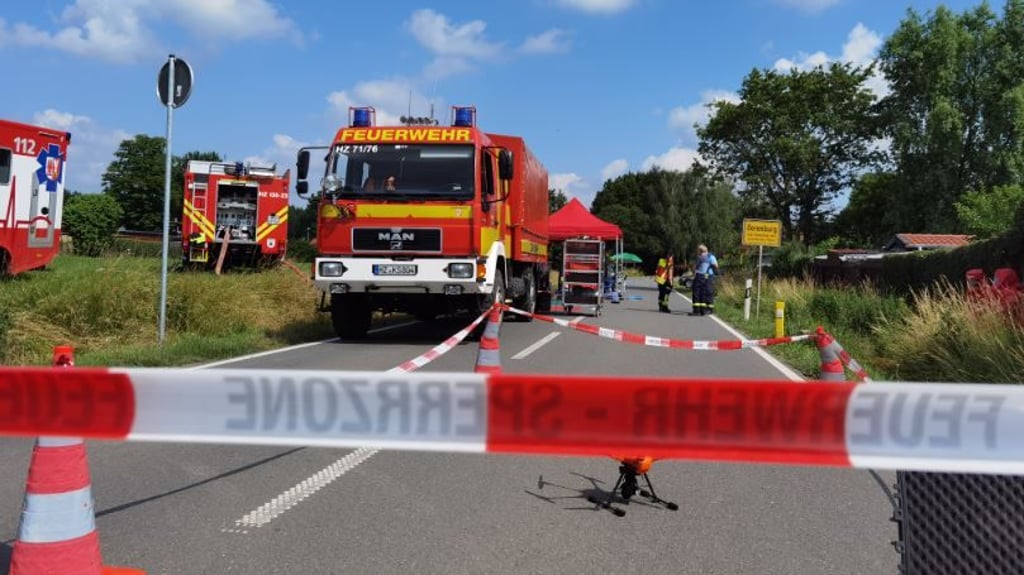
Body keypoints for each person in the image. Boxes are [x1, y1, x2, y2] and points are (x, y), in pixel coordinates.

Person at [689, 244, 719, 316]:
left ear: (700, 250)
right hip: (705, 276)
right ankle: (703, 310)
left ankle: (702, 310)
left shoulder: (707, 257)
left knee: (703, 292)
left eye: (698, 251)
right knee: (703, 292)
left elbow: (715, 266)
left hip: (706, 276)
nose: (697, 252)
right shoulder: (706, 257)